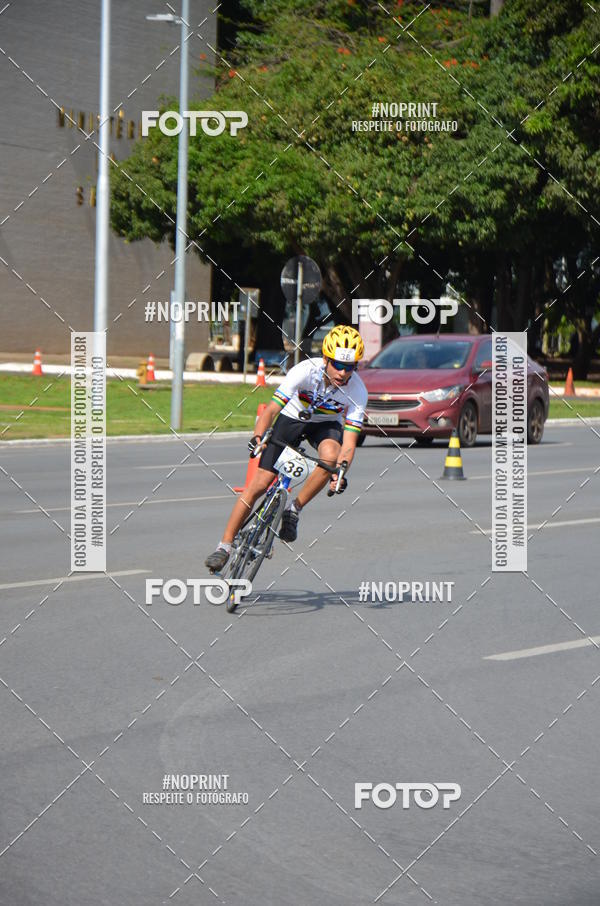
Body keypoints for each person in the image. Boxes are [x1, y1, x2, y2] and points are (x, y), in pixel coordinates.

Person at [205, 325, 368, 571]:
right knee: (260, 484)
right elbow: (271, 410)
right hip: (292, 418)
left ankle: (293, 509)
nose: (343, 373)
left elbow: (349, 442)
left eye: (350, 367)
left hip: (325, 425)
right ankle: (224, 546)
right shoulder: (304, 371)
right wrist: (258, 437)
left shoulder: (358, 390)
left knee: (331, 457)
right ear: (326, 359)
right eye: (338, 365)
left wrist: (341, 471)